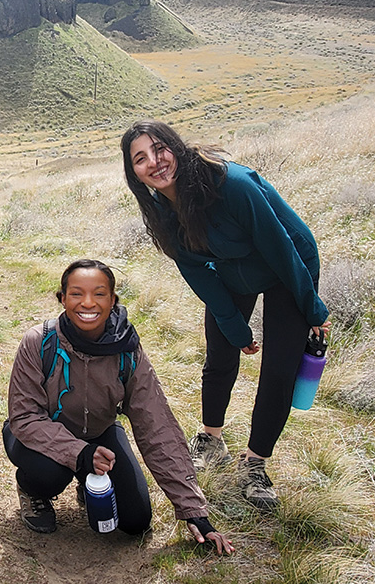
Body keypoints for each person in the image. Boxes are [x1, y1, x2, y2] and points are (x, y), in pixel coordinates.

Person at [121, 120, 330, 510]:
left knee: (279, 369)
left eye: (160, 149)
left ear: (176, 147)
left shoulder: (230, 183)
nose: (155, 162)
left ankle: (255, 463)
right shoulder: (161, 211)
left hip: (289, 264)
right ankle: (211, 438)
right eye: (140, 158)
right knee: (220, 353)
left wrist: (312, 308)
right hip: (235, 266)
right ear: (134, 173)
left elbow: (279, 246)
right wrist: (235, 328)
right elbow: (196, 269)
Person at [4, 259, 233, 554]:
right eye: (76, 293)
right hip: (37, 436)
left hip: (100, 433)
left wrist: (193, 511)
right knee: (49, 472)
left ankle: (87, 480)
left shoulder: (128, 349)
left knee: (136, 521)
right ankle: (31, 489)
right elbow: (24, 418)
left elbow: (156, 424)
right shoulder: (39, 341)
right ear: (62, 299)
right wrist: (80, 454)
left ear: (113, 300)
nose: (88, 302)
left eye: (99, 294)